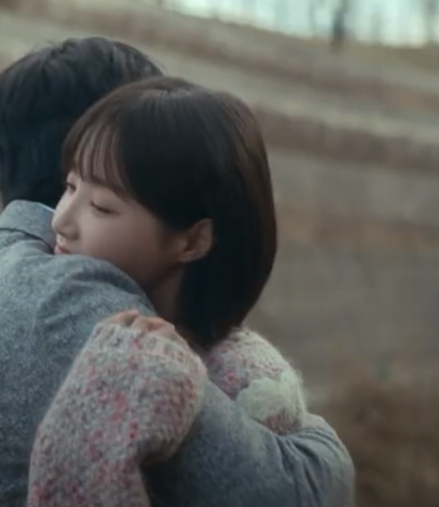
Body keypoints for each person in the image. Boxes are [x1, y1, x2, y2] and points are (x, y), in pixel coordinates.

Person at [0, 37, 354, 507]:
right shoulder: (80, 302)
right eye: (73, 186)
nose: (63, 220)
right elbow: (293, 494)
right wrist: (310, 430)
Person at [26, 76, 310, 505]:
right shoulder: (69, 318)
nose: (60, 221)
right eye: (70, 186)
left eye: (101, 206)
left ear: (192, 241)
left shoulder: (243, 387)